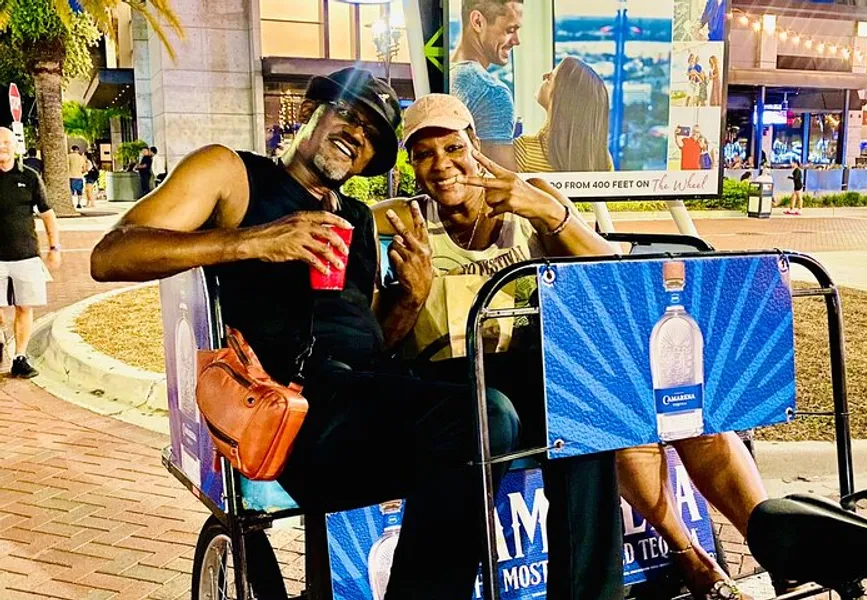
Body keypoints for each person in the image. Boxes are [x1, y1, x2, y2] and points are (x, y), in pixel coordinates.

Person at [90, 67, 521, 600]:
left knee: (543, 379)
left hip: (364, 398)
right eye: (347, 113)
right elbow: (111, 254)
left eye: (372, 135)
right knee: (483, 415)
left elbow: (368, 341)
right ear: (310, 110)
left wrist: (410, 295)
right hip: (295, 414)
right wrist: (249, 242)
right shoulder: (233, 175)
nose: (356, 134)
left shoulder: (357, 221)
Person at [376, 93, 623, 600]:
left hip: (525, 376)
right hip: (443, 387)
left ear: (475, 145)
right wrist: (410, 293)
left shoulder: (528, 199)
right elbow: (377, 343)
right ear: (411, 164)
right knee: (489, 418)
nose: (441, 164)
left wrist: (547, 213)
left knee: (581, 413)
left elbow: (611, 272)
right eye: (424, 154)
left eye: (452, 147)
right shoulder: (399, 221)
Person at [512, 56, 617, 235]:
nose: (545, 76)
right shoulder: (600, 156)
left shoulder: (524, 150)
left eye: (552, 76)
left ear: (562, 94)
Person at [0, 127, 61, 378]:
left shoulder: (30, 176)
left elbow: (48, 214)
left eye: (5, 142)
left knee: (24, 307)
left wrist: (54, 247)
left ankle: (20, 358)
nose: (1, 147)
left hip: (26, 256)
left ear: (14, 145)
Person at [450, 0, 522, 170]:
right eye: (510, 30)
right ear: (477, 22)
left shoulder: (450, 75)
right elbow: (502, 186)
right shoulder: (491, 92)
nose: (517, 41)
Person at [67, 145, 87, 209]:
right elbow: (84, 168)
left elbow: (66, 166)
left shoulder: (69, 156)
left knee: (71, 192)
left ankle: (72, 204)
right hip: (79, 176)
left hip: (71, 176)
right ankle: (79, 203)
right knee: (79, 191)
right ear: (78, 150)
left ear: (72, 149)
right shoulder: (81, 158)